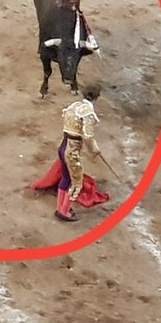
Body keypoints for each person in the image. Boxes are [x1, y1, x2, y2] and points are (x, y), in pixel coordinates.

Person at [55, 85, 105, 222]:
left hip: (63, 146)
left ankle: (60, 208)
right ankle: (64, 211)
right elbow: (88, 136)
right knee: (76, 183)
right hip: (72, 151)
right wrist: (94, 150)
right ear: (96, 97)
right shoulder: (88, 113)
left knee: (66, 178)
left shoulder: (74, 106)